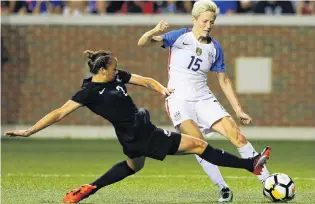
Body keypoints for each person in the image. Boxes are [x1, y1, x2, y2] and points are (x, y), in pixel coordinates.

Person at [5, 50, 271, 203]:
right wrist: (29, 131)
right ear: (102, 71)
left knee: (133, 166)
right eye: (113, 69)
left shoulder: (114, 77)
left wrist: (161, 89)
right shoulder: (88, 93)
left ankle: (87, 189)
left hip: (130, 138)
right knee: (199, 145)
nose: (117, 72)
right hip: (144, 134)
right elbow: (58, 113)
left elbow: (143, 80)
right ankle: (251, 165)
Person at [138, 0, 271, 201]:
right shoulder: (180, 37)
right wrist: (153, 30)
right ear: (194, 20)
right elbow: (143, 42)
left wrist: (238, 110)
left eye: (212, 22)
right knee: (199, 144)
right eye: (205, 21)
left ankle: (268, 182)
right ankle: (223, 188)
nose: (208, 25)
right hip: (179, 101)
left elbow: (224, 81)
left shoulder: (215, 48)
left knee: (238, 136)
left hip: (204, 100)